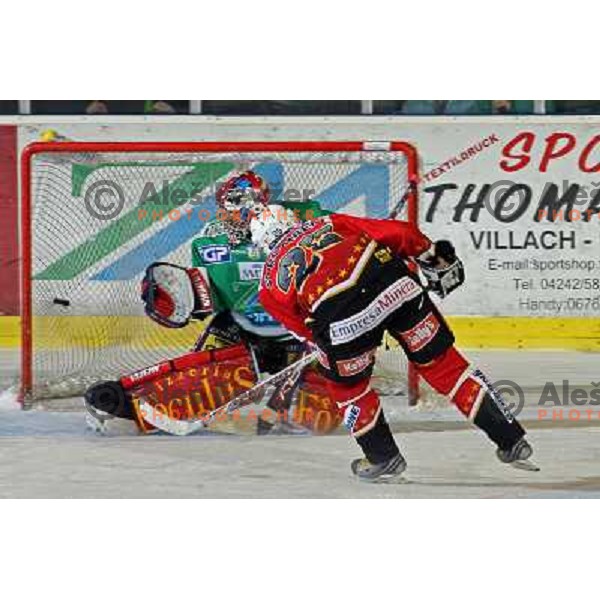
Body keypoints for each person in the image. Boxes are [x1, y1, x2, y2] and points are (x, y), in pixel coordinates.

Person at [252, 210, 537, 482]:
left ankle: (382, 456)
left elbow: (304, 330)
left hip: (343, 319)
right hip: (397, 286)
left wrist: (327, 347)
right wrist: (428, 252)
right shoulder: (329, 222)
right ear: (291, 220)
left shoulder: (267, 284)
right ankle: (511, 438)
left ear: (263, 244)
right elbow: (401, 232)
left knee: (349, 390)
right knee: (445, 366)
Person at [85, 171, 335, 435]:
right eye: (224, 208)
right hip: (239, 328)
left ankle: (303, 399)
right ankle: (130, 407)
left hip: (302, 328)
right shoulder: (210, 242)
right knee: (204, 378)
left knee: (322, 411)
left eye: (233, 208)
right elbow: (206, 299)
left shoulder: (307, 220)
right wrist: (176, 298)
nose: (225, 215)